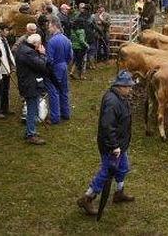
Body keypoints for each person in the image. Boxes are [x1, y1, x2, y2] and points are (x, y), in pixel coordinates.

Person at [77, 70, 136, 216]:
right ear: (120, 86)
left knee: (123, 168)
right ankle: (87, 198)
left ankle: (119, 193)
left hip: (121, 145)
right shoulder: (112, 101)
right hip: (112, 147)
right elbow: (107, 126)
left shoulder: (121, 97)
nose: (130, 89)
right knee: (106, 172)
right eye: (128, 86)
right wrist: (114, 146)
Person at [14, 34, 52, 145]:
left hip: (26, 83)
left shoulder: (23, 48)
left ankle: (30, 131)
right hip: (30, 84)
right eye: (39, 44)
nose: (40, 46)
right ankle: (31, 134)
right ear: (35, 43)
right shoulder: (29, 53)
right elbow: (41, 66)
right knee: (32, 109)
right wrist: (43, 54)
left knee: (33, 108)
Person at [45, 17, 73, 124]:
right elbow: (70, 56)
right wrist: (65, 63)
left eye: (49, 27)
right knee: (64, 90)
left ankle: (54, 117)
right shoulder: (66, 39)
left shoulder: (51, 41)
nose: (48, 29)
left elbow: (49, 59)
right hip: (64, 66)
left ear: (54, 26)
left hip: (55, 68)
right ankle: (65, 113)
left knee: (53, 91)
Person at [0, 23, 15, 119]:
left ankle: (5, 108)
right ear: (0, 30)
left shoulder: (4, 40)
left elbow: (8, 53)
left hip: (7, 68)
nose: (7, 32)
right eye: (6, 30)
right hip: (0, 69)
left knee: (6, 89)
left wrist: (13, 64)